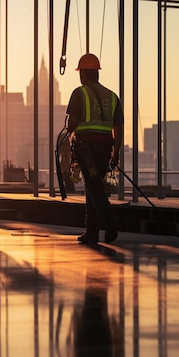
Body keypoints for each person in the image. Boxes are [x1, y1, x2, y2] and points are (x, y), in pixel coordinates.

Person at [66, 53, 123, 244]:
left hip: (86, 147)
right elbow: (118, 128)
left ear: (83, 73)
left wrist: (69, 130)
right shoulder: (112, 96)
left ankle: (109, 220)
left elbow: (72, 122)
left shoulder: (79, 93)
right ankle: (92, 232)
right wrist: (116, 154)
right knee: (94, 184)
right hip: (105, 148)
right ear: (97, 73)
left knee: (92, 185)